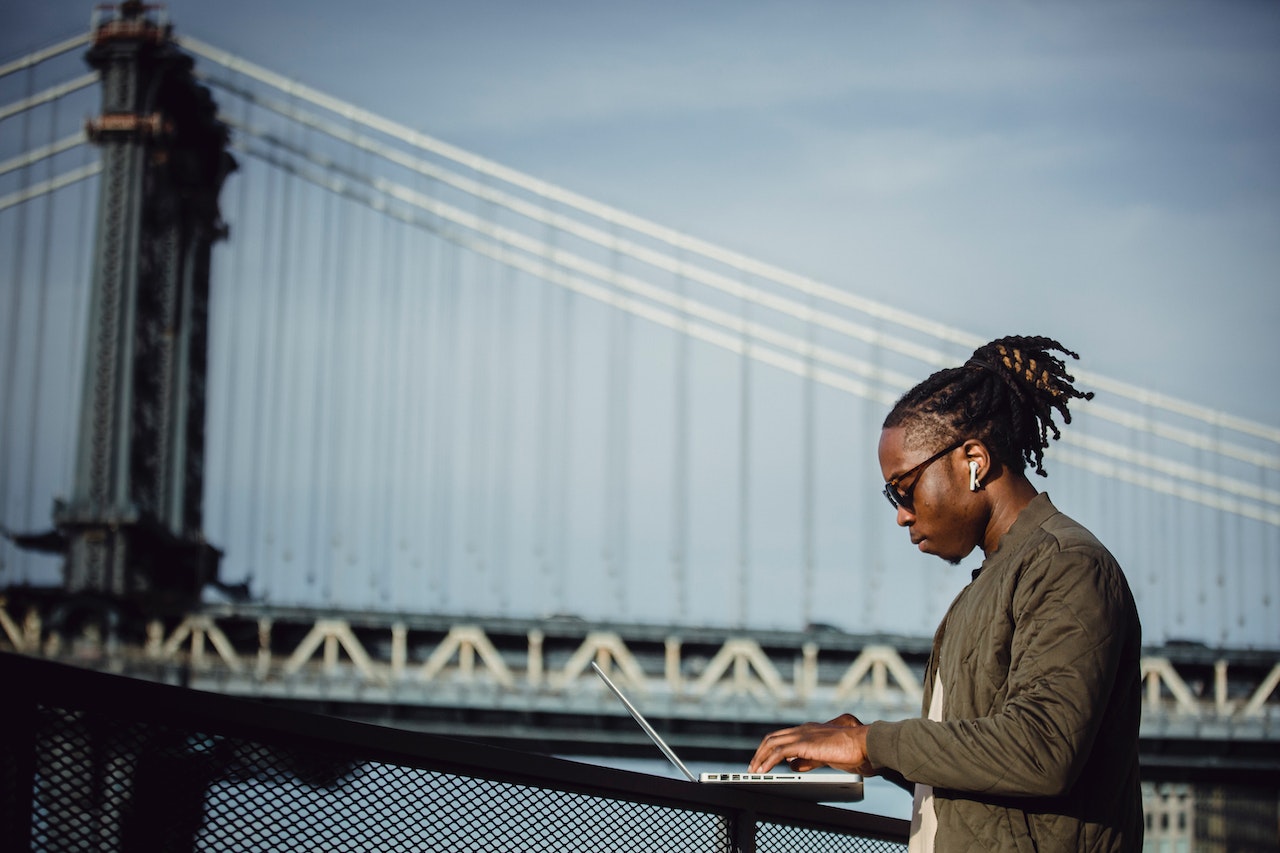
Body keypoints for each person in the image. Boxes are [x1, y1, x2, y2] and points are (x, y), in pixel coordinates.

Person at [749, 335, 1143, 852]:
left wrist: (873, 741)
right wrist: (872, 753)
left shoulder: (1067, 566)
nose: (901, 513)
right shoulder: (991, 584)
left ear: (973, 460)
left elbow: (1041, 751)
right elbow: (984, 783)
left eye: (904, 487)